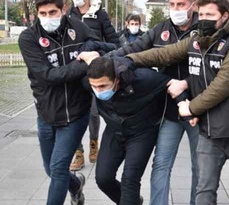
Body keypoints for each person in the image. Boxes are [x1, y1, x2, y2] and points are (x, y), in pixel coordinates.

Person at [118, 0, 229, 205]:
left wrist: (191, 108)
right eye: (201, 14)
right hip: (208, 130)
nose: (204, 18)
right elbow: (163, 54)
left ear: (224, 16)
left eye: (210, 14)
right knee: (205, 190)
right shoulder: (196, 41)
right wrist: (126, 60)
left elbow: (222, 85)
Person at [107, 0, 200, 205]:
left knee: (201, 166)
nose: (176, 9)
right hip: (169, 110)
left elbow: (214, 68)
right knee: (161, 164)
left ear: (193, 5)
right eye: (172, 4)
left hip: (199, 108)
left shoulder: (205, 29)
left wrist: (186, 83)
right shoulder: (160, 29)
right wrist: (106, 59)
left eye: (181, 4)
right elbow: (134, 48)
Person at [18, 0, 100, 205]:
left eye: (52, 12)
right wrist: (82, 63)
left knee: (57, 168)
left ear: (63, 9)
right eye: (42, 14)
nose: (48, 18)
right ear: (36, 13)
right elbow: (47, 75)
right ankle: (76, 185)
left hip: (76, 113)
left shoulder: (78, 28)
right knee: (52, 170)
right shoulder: (28, 38)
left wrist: (91, 49)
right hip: (46, 115)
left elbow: (96, 43)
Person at [75, 55, 185, 205]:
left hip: (142, 132)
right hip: (114, 130)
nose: (98, 91)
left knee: (130, 179)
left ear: (116, 79)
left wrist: (185, 106)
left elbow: (172, 84)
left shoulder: (143, 79)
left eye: (102, 86)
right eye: (94, 86)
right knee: (103, 179)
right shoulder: (90, 83)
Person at [68, 0, 120, 171]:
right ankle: (78, 153)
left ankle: (93, 142)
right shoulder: (69, 15)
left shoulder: (99, 15)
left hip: (93, 72)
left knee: (93, 112)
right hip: (72, 71)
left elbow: (116, 43)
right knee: (72, 114)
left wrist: (96, 49)